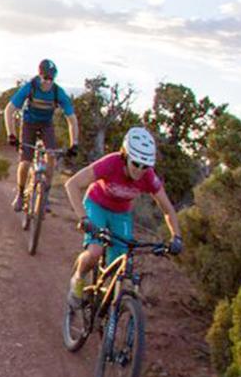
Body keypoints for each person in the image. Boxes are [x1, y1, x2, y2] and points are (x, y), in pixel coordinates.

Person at [63, 126, 183, 307]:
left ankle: (106, 306)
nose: (140, 170)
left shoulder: (149, 177)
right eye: (135, 163)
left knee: (119, 263)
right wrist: (83, 218)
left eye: (145, 166)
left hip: (121, 213)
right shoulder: (111, 164)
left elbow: (167, 209)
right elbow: (72, 184)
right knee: (95, 251)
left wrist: (177, 236)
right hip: (97, 204)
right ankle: (78, 278)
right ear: (125, 156)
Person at [4, 59, 80, 211]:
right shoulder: (30, 87)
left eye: (51, 79)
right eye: (45, 78)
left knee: (50, 157)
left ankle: (45, 196)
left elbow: (72, 120)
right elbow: (9, 110)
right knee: (25, 161)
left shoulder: (58, 92)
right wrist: (11, 135)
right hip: (28, 124)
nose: (48, 82)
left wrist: (74, 143)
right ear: (39, 76)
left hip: (46, 124)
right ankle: (20, 194)